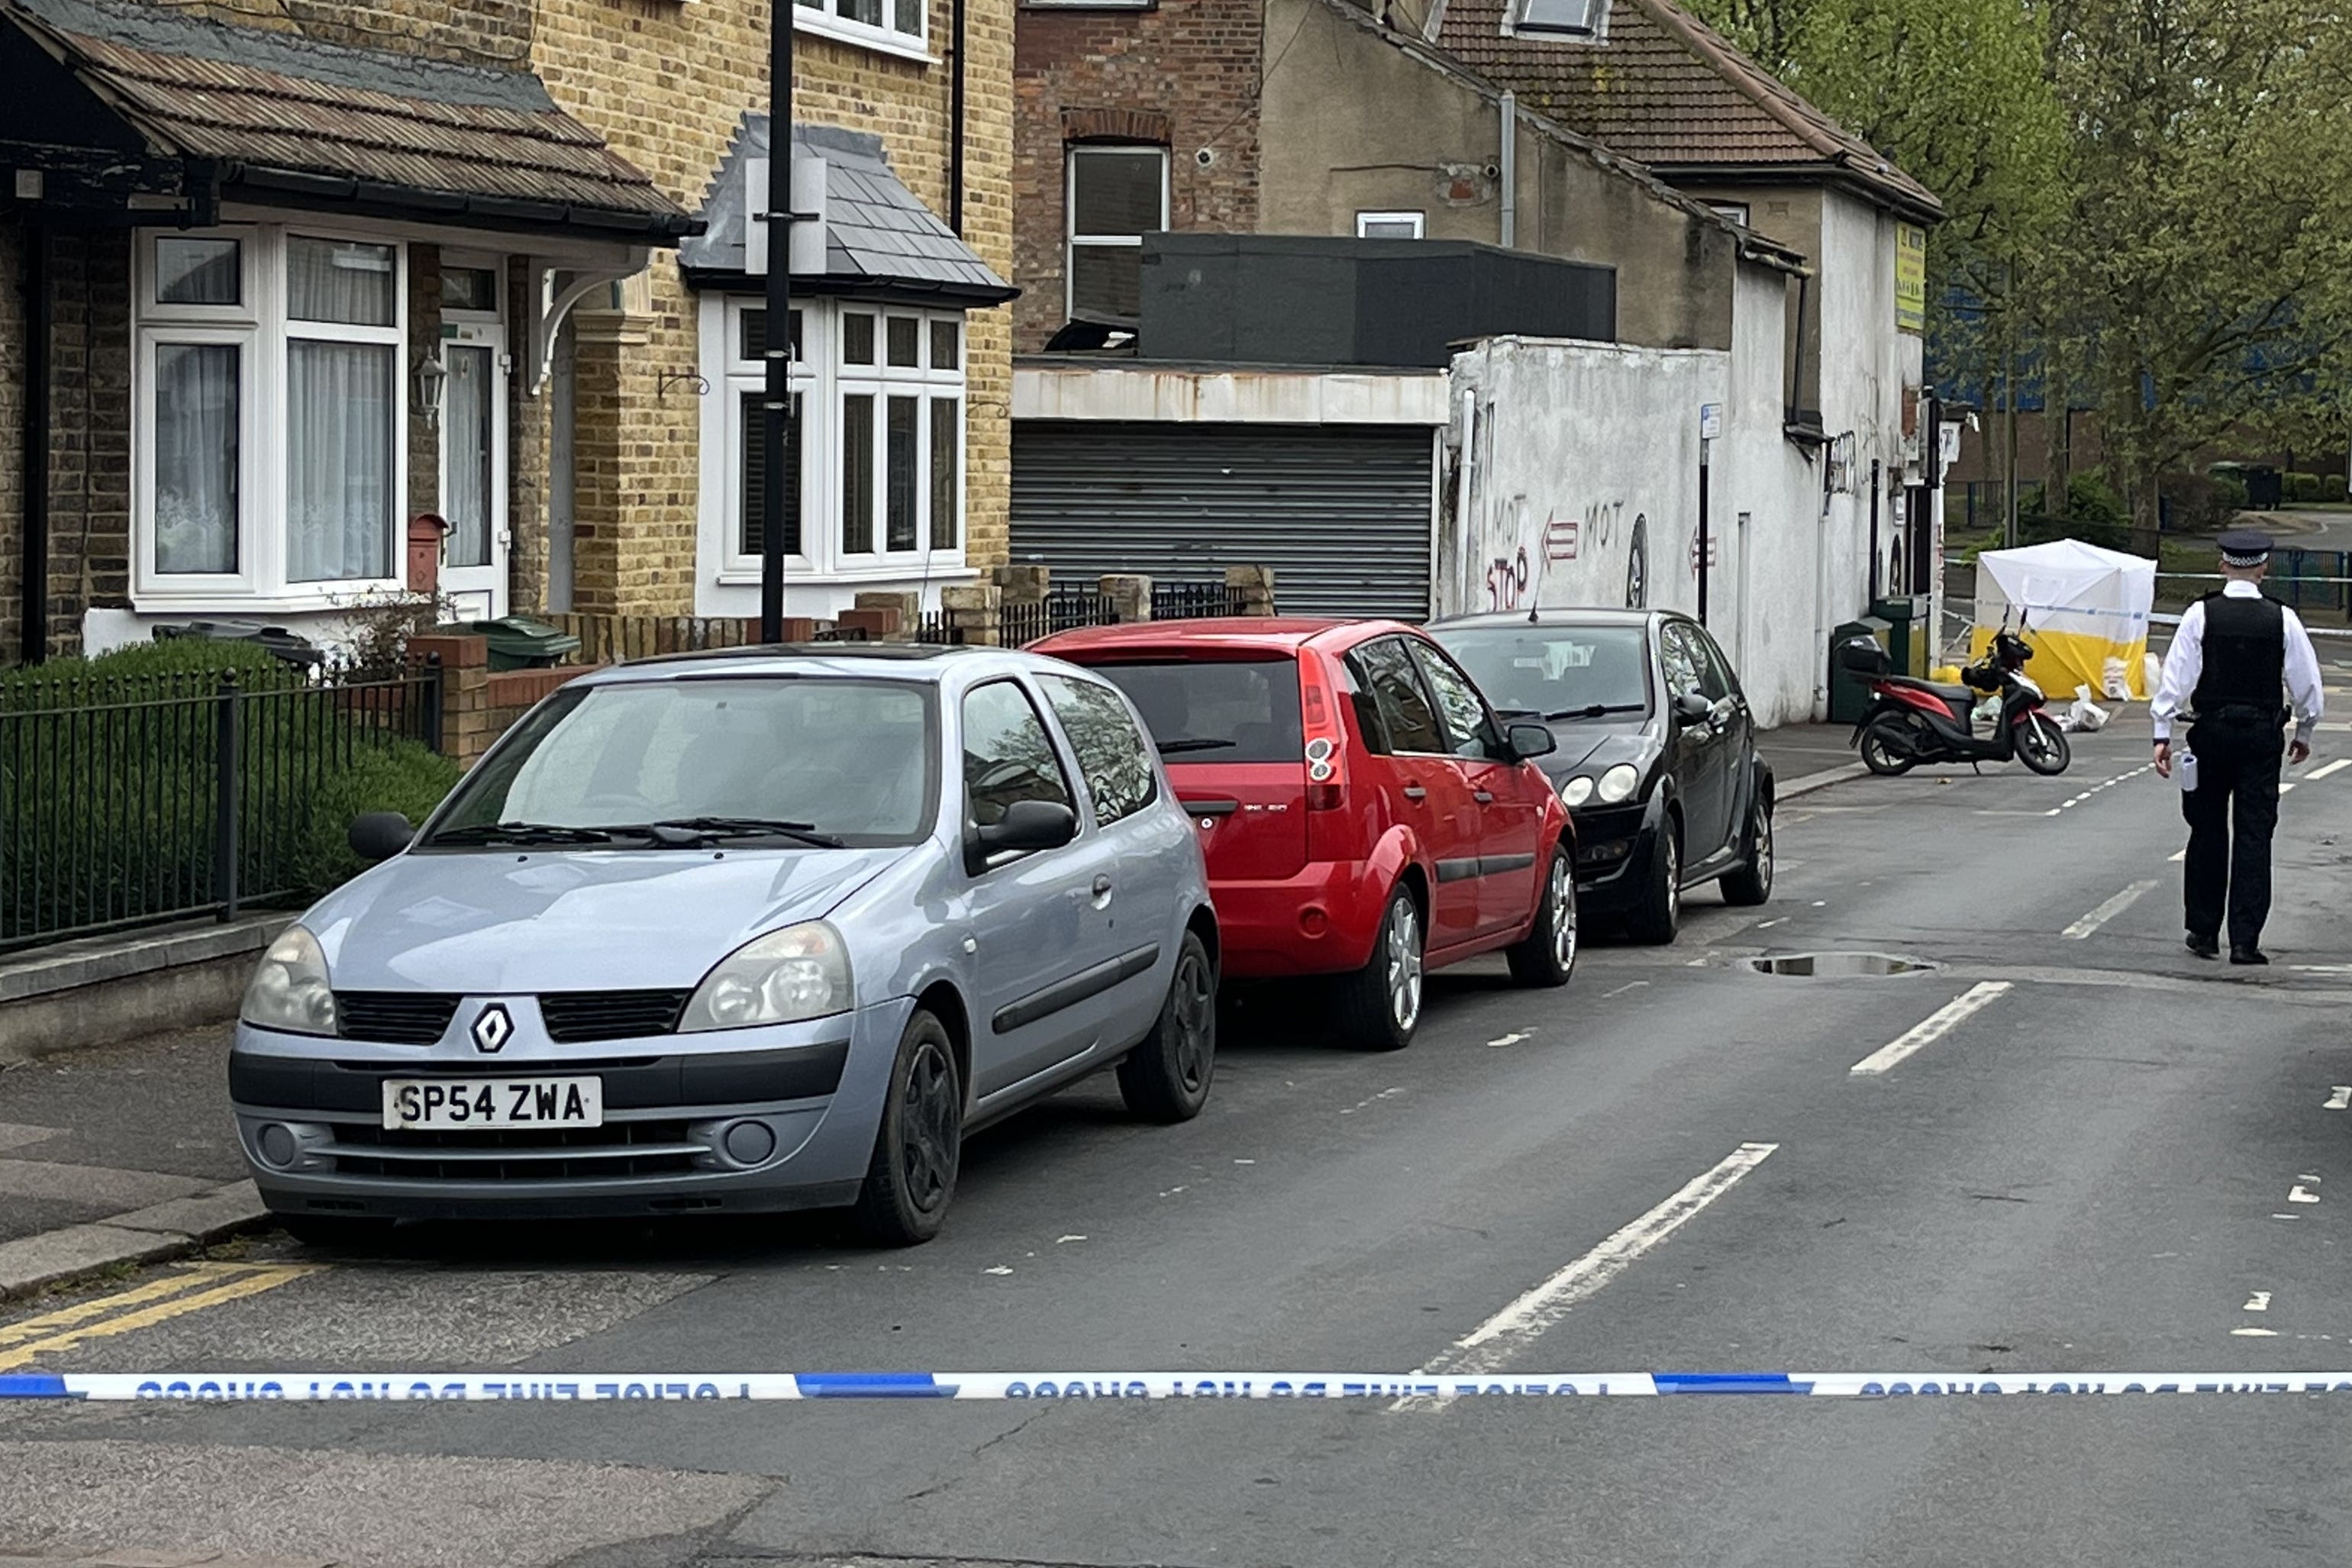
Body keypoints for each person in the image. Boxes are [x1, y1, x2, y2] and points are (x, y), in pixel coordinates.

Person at [2150, 528, 2325, 964]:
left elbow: (2176, 680)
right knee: (2254, 835)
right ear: (2264, 568)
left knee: (2206, 830)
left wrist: (2161, 733)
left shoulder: (2199, 614)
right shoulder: (2282, 618)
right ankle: (2245, 941)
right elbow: (2308, 687)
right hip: (2261, 738)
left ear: (2223, 564)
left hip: (2210, 734)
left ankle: (2204, 931)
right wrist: (2304, 732)